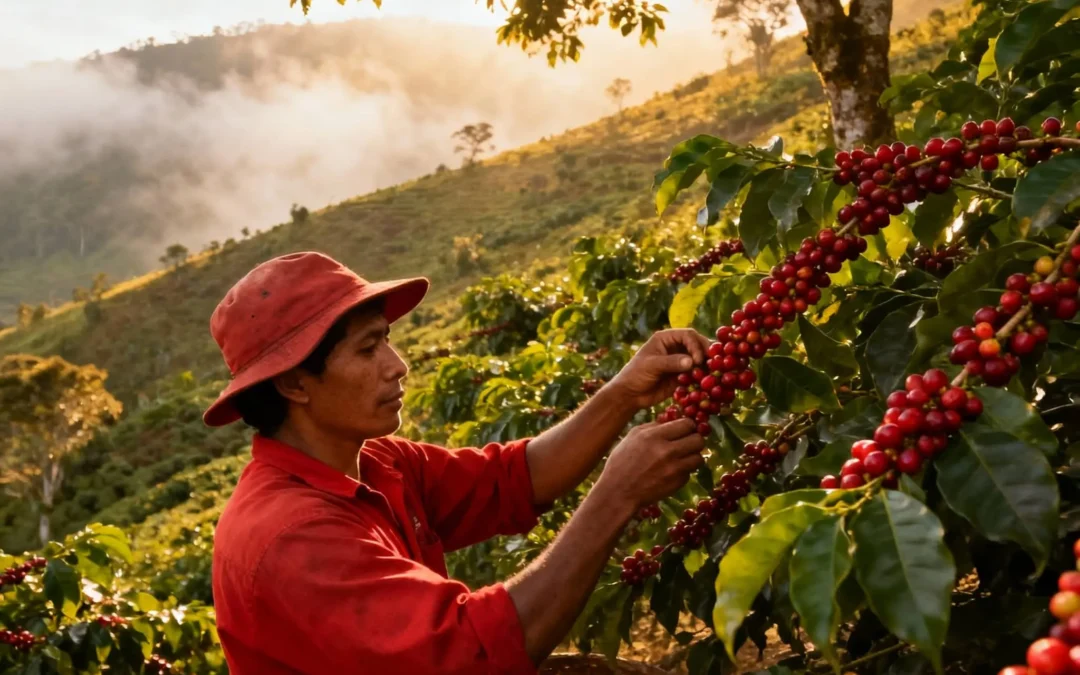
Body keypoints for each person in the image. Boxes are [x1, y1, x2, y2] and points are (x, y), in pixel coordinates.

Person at [205, 251, 709, 674]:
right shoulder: (292, 536)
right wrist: (616, 494)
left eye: (387, 338)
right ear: (294, 385)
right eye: (367, 349)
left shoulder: (375, 462)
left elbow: (514, 478)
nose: (397, 365)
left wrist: (623, 393)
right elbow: (471, 656)